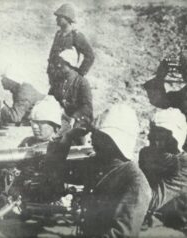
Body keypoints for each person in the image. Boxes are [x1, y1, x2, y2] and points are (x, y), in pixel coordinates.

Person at [75, 104, 151, 237]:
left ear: (116, 141)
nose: (92, 139)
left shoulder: (135, 183)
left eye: (99, 136)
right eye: (94, 134)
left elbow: (121, 234)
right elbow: (61, 172)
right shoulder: (101, 165)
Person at [139, 108, 187, 230]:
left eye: (163, 138)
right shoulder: (146, 154)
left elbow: (152, 200)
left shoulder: (182, 163)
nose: (156, 142)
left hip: (177, 227)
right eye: (155, 134)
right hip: (151, 219)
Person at [48, 47, 93, 138]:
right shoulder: (58, 81)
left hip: (78, 119)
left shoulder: (82, 82)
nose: (59, 65)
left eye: (62, 63)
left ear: (71, 65)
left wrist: (74, 117)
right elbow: (50, 98)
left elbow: (87, 107)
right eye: (59, 62)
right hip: (61, 118)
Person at [47, 3, 94, 86]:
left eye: (59, 17)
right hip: (55, 77)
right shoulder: (58, 34)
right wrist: (50, 71)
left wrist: (79, 74)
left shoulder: (76, 36)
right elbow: (52, 55)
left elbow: (90, 56)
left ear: (67, 18)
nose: (57, 19)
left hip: (68, 79)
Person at [144, 49, 187, 117]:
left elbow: (159, 102)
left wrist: (159, 77)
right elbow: (160, 101)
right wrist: (159, 77)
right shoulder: (180, 96)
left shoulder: (181, 96)